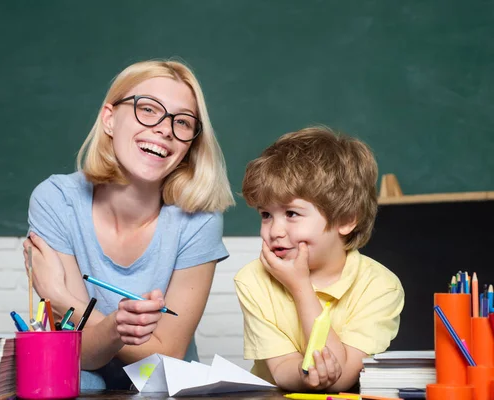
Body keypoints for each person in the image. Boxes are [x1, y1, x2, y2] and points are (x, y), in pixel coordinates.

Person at [23, 59, 234, 390]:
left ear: (190, 143)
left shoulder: (199, 218)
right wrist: (119, 326)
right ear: (109, 119)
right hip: (85, 383)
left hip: (163, 390)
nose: (165, 129)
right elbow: (85, 357)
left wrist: (61, 299)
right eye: (148, 109)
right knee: (85, 381)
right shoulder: (56, 201)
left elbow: (169, 357)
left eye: (182, 121)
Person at [234, 126, 404, 392]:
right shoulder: (253, 279)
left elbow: (342, 377)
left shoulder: (382, 287)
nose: (275, 231)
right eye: (266, 215)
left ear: (347, 219)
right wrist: (305, 377)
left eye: (291, 213)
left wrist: (300, 288)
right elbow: (280, 368)